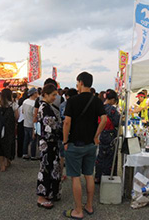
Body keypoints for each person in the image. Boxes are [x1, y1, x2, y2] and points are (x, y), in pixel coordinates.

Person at [63, 72, 107, 219]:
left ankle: (78, 210)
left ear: (81, 82)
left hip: (75, 144)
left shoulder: (73, 101)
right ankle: (88, 205)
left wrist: (64, 141)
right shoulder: (97, 101)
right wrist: (96, 136)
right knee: (89, 175)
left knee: (75, 177)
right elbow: (104, 120)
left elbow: (67, 122)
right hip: (90, 144)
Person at [36, 84, 61, 209]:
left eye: (55, 95)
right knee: (46, 168)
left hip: (50, 142)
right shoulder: (44, 107)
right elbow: (51, 126)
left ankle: (50, 193)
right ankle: (41, 196)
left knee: (51, 167)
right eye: (53, 95)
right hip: (47, 142)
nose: (54, 98)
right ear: (45, 94)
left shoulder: (46, 106)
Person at [95, 89, 120, 184]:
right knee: (109, 156)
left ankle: (98, 176)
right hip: (110, 135)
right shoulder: (113, 110)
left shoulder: (100, 107)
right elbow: (116, 123)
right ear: (113, 99)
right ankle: (108, 176)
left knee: (100, 156)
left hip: (100, 133)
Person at [59, 88, 78, 180]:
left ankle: (60, 174)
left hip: (63, 130)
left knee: (62, 154)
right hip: (74, 131)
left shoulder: (62, 105)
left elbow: (62, 118)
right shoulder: (77, 105)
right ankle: (74, 175)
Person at [0, 89, 16, 172]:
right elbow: (17, 116)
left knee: (1, 145)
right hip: (10, 128)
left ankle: (2, 165)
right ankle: (6, 161)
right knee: (8, 144)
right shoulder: (13, 104)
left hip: (0, 127)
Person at [22, 88, 38, 160]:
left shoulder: (25, 101)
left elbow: (22, 111)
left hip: (25, 123)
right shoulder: (34, 103)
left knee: (26, 140)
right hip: (32, 124)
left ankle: (25, 153)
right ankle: (33, 155)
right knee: (33, 141)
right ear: (34, 93)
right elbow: (35, 115)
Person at [17, 91, 28, 158]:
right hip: (25, 121)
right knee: (25, 138)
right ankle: (24, 152)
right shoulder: (26, 105)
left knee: (20, 139)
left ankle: (19, 153)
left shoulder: (19, 107)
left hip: (20, 122)